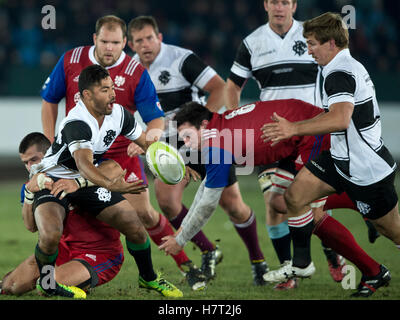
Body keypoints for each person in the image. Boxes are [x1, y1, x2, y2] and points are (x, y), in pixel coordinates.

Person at [40, 15, 205, 291]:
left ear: (124, 43)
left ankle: (186, 266)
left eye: (115, 43)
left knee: (145, 216)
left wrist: (149, 144)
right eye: (104, 41)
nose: (109, 48)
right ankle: (60, 272)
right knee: (59, 214)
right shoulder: (71, 60)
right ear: (95, 39)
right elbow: (49, 100)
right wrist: (49, 141)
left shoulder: (135, 71)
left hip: (120, 156)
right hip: (79, 157)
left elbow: (155, 120)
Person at [159, 100, 386, 297]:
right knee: (281, 203)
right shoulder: (218, 128)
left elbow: (208, 203)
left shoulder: (218, 144)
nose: (186, 144)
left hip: (311, 134)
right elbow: (206, 192)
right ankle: (363, 205)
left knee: (309, 213)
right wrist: (181, 236)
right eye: (182, 139)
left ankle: (372, 269)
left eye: (187, 136)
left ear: (205, 125)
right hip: (294, 140)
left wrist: (180, 240)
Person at [261, 12, 397, 297]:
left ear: (331, 43)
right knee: (294, 198)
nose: (308, 50)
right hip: (339, 159)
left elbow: (340, 119)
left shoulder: (338, 72)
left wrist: (292, 129)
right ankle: (302, 263)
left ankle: (373, 264)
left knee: (393, 231)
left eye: (312, 44)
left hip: (366, 170)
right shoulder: (336, 65)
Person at [127, 15, 269, 285]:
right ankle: (209, 250)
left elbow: (219, 88)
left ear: (159, 38)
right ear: (131, 44)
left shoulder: (181, 59)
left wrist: (203, 129)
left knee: (233, 206)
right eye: (138, 40)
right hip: (167, 144)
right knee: (167, 201)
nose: (145, 44)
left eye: (149, 38)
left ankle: (258, 261)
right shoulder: (131, 70)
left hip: (202, 140)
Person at [31, 64, 182, 298]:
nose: (113, 94)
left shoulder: (119, 114)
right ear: (86, 96)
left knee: (134, 226)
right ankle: (48, 283)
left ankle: (148, 278)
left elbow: (146, 144)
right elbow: (84, 165)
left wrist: (180, 162)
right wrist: (111, 185)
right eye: (105, 90)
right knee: (50, 235)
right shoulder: (77, 123)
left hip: (84, 182)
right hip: (54, 181)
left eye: (112, 87)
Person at [225, 0, 346, 288]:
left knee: (313, 203)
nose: (279, 7)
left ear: (293, 5)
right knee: (274, 203)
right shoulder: (252, 43)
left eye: (285, 1)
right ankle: (288, 269)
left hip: (311, 132)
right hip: (272, 135)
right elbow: (232, 86)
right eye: (274, 1)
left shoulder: (312, 36)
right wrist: (234, 122)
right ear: (265, 5)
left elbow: (339, 68)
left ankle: (331, 251)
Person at [1, 133, 125, 296]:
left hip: (100, 252)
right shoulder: (33, 185)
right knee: (11, 286)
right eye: (26, 163)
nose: (31, 167)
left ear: (49, 154)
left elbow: (115, 168)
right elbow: (31, 226)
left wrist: (79, 184)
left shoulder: (76, 169)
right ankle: (75, 280)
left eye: (34, 160)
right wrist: (29, 192)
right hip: (62, 250)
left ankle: (79, 283)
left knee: (48, 287)